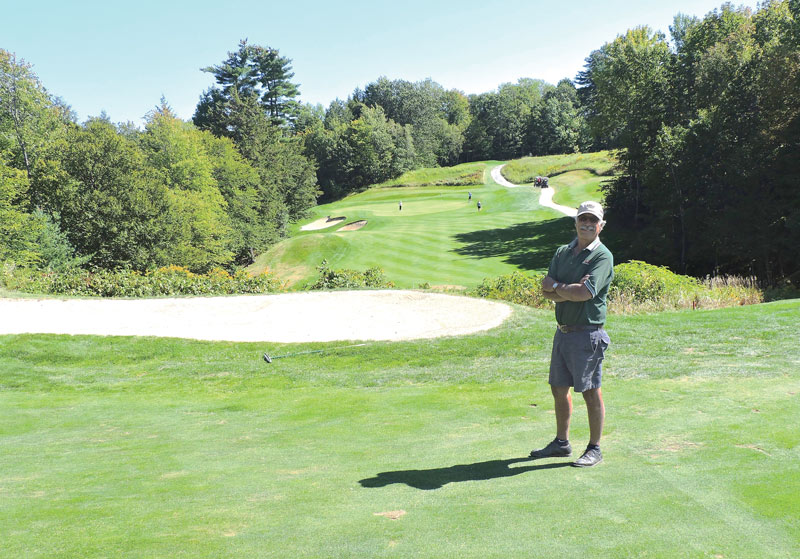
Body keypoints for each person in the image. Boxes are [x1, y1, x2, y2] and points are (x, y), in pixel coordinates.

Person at [530, 200, 614, 467]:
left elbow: (584, 294)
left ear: (601, 225)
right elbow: (545, 291)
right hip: (563, 332)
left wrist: (557, 288)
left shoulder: (602, 256)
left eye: (593, 220)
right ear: (576, 222)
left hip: (588, 333)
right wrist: (564, 289)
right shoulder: (562, 252)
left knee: (590, 390)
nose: (587, 224)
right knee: (558, 388)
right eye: (583, 219)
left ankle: (595, 448)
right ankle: (562, 443)